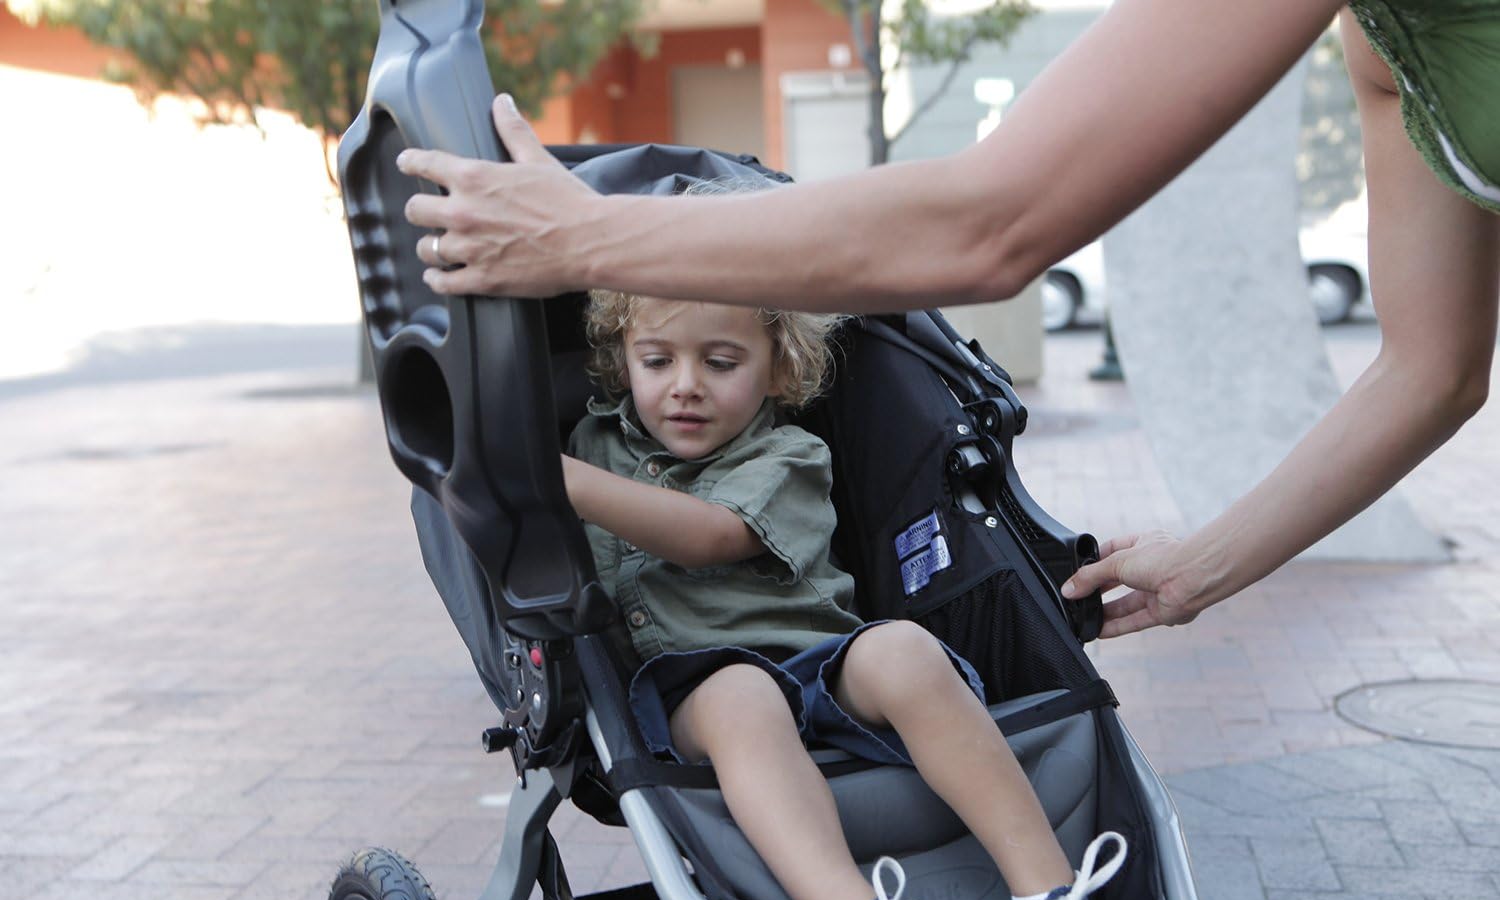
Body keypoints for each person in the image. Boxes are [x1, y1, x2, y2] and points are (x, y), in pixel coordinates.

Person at [395, 0, 1499, 639]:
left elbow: (991, 226)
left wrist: (586, 240)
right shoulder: (1390, 45)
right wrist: (1207, 562)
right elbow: (1434, 368)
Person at [560, 278, 1126, 900]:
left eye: (722, 363)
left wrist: (559, 479)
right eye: (657, 361)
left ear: (778, 366)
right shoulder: (592, 444)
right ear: (623, 361)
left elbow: (707, 536)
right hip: (693, 686)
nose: (686, 387)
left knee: (904, 650)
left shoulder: (789, 455)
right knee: (741, 695)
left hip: (818, 659)